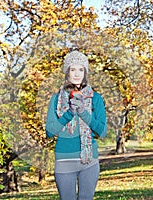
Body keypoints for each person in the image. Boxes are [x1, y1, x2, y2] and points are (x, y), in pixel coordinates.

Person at [45, 50, 107, 200]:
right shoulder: (56, 99)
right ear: (67, 72)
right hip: (64, 160)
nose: (77, 74)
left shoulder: (95, 98)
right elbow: (50, 131)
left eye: (81, 69)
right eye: (73, 69)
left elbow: (103, 131)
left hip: (89, 160)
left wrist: (84, 112)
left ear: (85, 72)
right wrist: (69, 113)